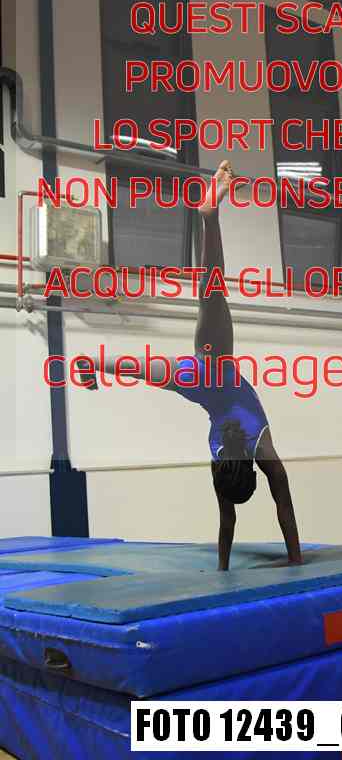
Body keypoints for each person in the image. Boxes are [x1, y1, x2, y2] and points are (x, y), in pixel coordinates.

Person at [78, 161, 302, 570]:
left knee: (212, 290)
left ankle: (210, 217)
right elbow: (227, 523)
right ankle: (89, 361)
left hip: (215, 369)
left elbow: (281, 509)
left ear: (251, 472)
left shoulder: (262, 449)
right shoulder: (219, 458)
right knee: (137, 366)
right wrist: (225, 569)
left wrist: (294, 558)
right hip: (195, 380)